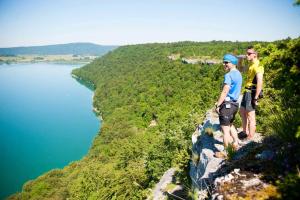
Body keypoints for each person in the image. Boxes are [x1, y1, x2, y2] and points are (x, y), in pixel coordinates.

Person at [215, 54, 242, 158]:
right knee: (230, 125)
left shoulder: (229, 75)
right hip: (235, 104)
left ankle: (226, 152)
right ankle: (236, 143)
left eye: (226, 62)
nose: (224, 64)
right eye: (224, 62)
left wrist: (218, 104)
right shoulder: (239, 74)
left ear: (233, 63)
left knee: (225, 130)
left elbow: (225, 91)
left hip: (227, 104)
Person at [239, 46, 264, 140]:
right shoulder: (251, 65)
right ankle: (245, 132)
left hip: (252, 92)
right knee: (242, 111)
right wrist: (240, 60)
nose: (247, 55)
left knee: (250, 115)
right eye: (246, 53)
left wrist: (256, 97)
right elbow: (241, 69)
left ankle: (250, 137)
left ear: (255, 54)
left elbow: (260, 81)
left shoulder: (258, 65)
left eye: (249, 53)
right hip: (246, 91)